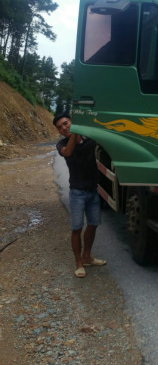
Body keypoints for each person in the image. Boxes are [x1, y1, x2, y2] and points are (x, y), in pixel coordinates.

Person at [53, 113, 106, 278]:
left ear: (71, 122)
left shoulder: (89, 139)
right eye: (60, 127)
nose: (64, 128)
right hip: (77, 193)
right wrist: (75, 130)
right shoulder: (61, 144)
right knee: (76, 229)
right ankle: (79, 263)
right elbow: (68, 152)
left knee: (93, 224)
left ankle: (87, 256)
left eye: (66, 123)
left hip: (92, 191)